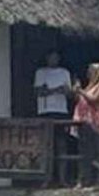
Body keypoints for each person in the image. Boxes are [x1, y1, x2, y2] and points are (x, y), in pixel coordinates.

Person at [33, 50, 74, 182]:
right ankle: (46, 178)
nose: (53, 60)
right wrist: (57, 90)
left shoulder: (64, 72)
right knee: (46, 145)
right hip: (45, 111)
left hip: (61, 111)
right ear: (47, 58)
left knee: (62, 144)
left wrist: (51, 91)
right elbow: (38, 92)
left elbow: (69, 93)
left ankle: (62, 179)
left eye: (56, 58)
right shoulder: (40, 73)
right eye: (51, 57)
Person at [72, 62, 99, 186]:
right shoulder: (88, 86)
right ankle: (84, 179)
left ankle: (98, 180)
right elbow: (80, 101)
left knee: (97, 152)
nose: (88, 74)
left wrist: (81, 91)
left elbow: (94, 99)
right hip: (85, 123)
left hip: (97, 123)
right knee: (84, 152)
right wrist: (76, 91)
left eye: (91, 72)